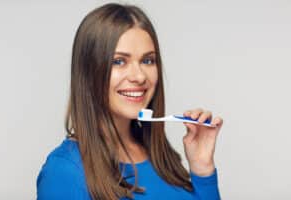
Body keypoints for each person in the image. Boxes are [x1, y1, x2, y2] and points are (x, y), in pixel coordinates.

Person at [37, 3, 224, 200]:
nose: (139, 76)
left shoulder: (161, 157)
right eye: (119, 61)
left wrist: (203, 171)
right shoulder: (64, 172)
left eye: (147, 60)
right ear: (88, 73)